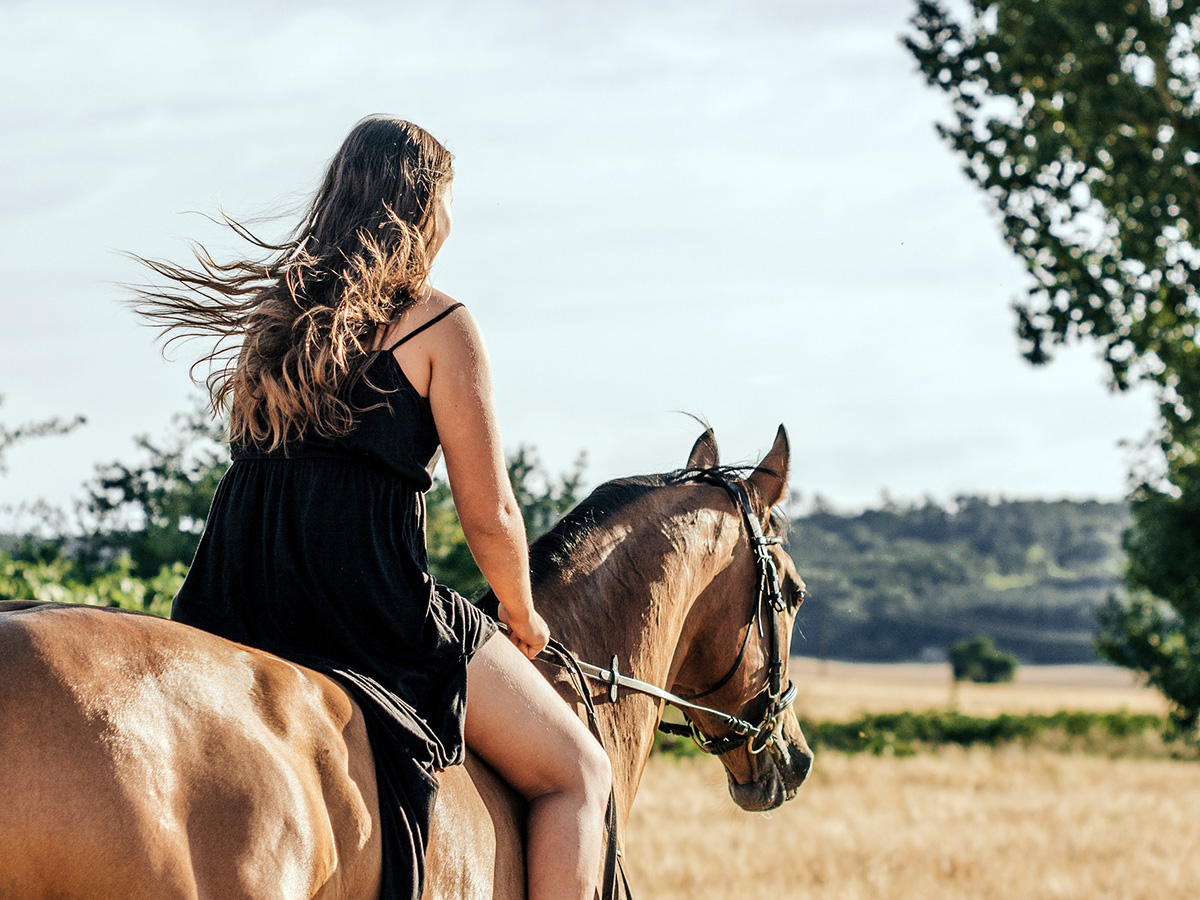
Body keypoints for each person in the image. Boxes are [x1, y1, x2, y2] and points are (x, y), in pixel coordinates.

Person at [135, 115, 611, 900]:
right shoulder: (437, 322)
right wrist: (524, 618)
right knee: (579, 775)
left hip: (238, 593)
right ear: (423, 206)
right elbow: (489, 513)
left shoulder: (275, 317)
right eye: (449, 201)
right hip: (365, 606)